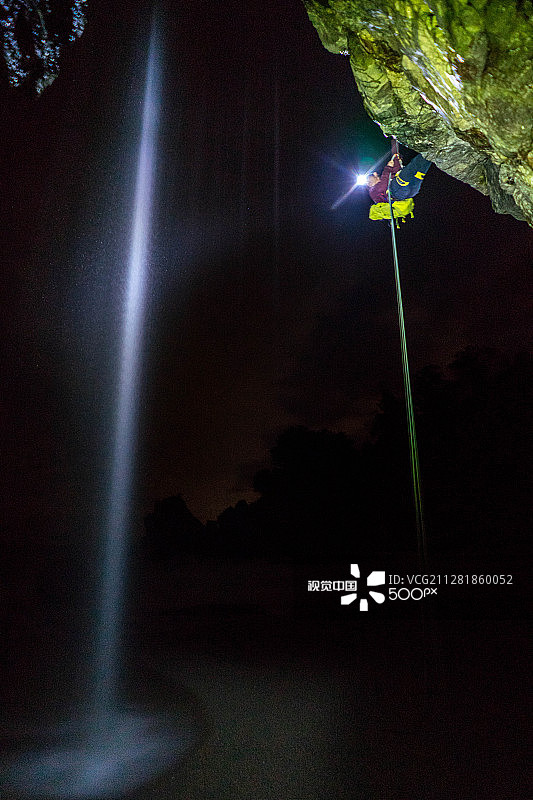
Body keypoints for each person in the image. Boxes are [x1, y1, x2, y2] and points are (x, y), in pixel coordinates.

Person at [366, 152, 432, 205]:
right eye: (371, 176)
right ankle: (428, 152)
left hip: (407, 192)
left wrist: (397, 160)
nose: (374, 173)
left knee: (420, 172)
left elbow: (395, 171)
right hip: (397, 192)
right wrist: (388, 167)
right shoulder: (372, 191)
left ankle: (431, 156)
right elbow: (383, 185)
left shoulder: (385, 180)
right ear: (369, 184)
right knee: (413, 167)